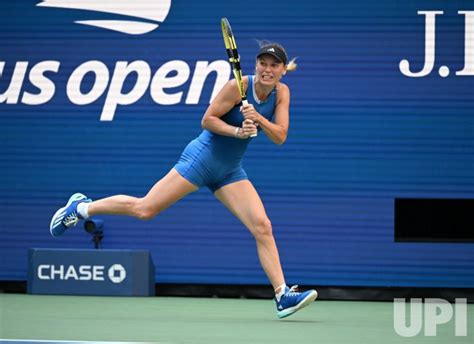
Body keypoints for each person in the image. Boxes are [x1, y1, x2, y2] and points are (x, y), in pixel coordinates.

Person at [50, 42, 318, 318]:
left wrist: (257, 118)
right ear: (256, 65)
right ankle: (81, 208)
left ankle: (282, 294)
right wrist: (238, 130)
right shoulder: (235, 87)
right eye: (263, 63)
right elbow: (207, 120)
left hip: (229, 170)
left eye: (274, 65)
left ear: (284, 70)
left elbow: (280, 136)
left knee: (263, 226)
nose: (267, 69)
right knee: (145, 209)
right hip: (201, 160)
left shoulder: (282, 92)